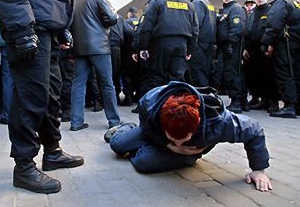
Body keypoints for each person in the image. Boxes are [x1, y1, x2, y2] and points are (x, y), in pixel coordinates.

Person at [0, 0, 88, 194]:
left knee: (50, 96)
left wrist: (61, 27)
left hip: (48, 34)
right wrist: (22, 31)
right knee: (31, 98)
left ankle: (52, 151)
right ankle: (23, 166)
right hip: (29, 32)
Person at [106, 81, 272, 192]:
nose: (178, 142)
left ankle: (171, 155)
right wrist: (167, 143)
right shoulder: (150, 102)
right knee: (118, 144)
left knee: (144, 163)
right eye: (173, 137)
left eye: (183, 138)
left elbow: (254, 130)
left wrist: (258, 170)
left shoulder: (219, 121)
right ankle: (125, 129)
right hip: (154, 133)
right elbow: (146, 125)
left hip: (188, 151)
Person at [70, 0, 121, 131]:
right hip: (99, 47)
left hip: (79, 48)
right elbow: (112, 18)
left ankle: (76, 122)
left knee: (78, 84)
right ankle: (113, 121)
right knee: (107, 84)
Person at [138, 0, 198, 89]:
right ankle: (175, 105)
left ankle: (159, 105)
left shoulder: (157, 2)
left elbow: (146, 27)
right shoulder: (189, 5)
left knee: (157, 77)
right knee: (177, 78)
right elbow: (195, 30)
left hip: (161, 44)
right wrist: (190, 49)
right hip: (181, 44)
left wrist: (143, 47)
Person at [261, 0, 300, 118]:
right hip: (294, 44)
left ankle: (289, 106)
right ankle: (296, 105)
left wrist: (266, 43)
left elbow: (273, 24)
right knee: (294, 73)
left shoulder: (282, 3)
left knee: (285, 74)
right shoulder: (294, 3)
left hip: (285, 44)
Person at [242, 0, 279, 112]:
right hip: (253, 49)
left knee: (269, 75)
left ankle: (273, 102)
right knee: (255, 75)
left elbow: (273, 29)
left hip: (264, 48)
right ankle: (261, 99)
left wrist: (270, 45)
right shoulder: (253, 12)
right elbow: (248, 30)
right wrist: (245, 48)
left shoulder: (270, 10)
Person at [216, 0, 247, 113]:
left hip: (233, 47)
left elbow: (238, 28)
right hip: (227, 47)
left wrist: (229, 43)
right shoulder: (226, 10)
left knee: (233, 74)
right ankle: (242, 102)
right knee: (232, 74)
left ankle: (237, 102)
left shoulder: (235, 8)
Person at [188, 0, 217, 87]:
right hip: (209, 44)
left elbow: (196, 24)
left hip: (199, 44)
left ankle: (203, 99)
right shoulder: (209, 4)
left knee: (198, 72)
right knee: (207, 71)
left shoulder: (196, 3)